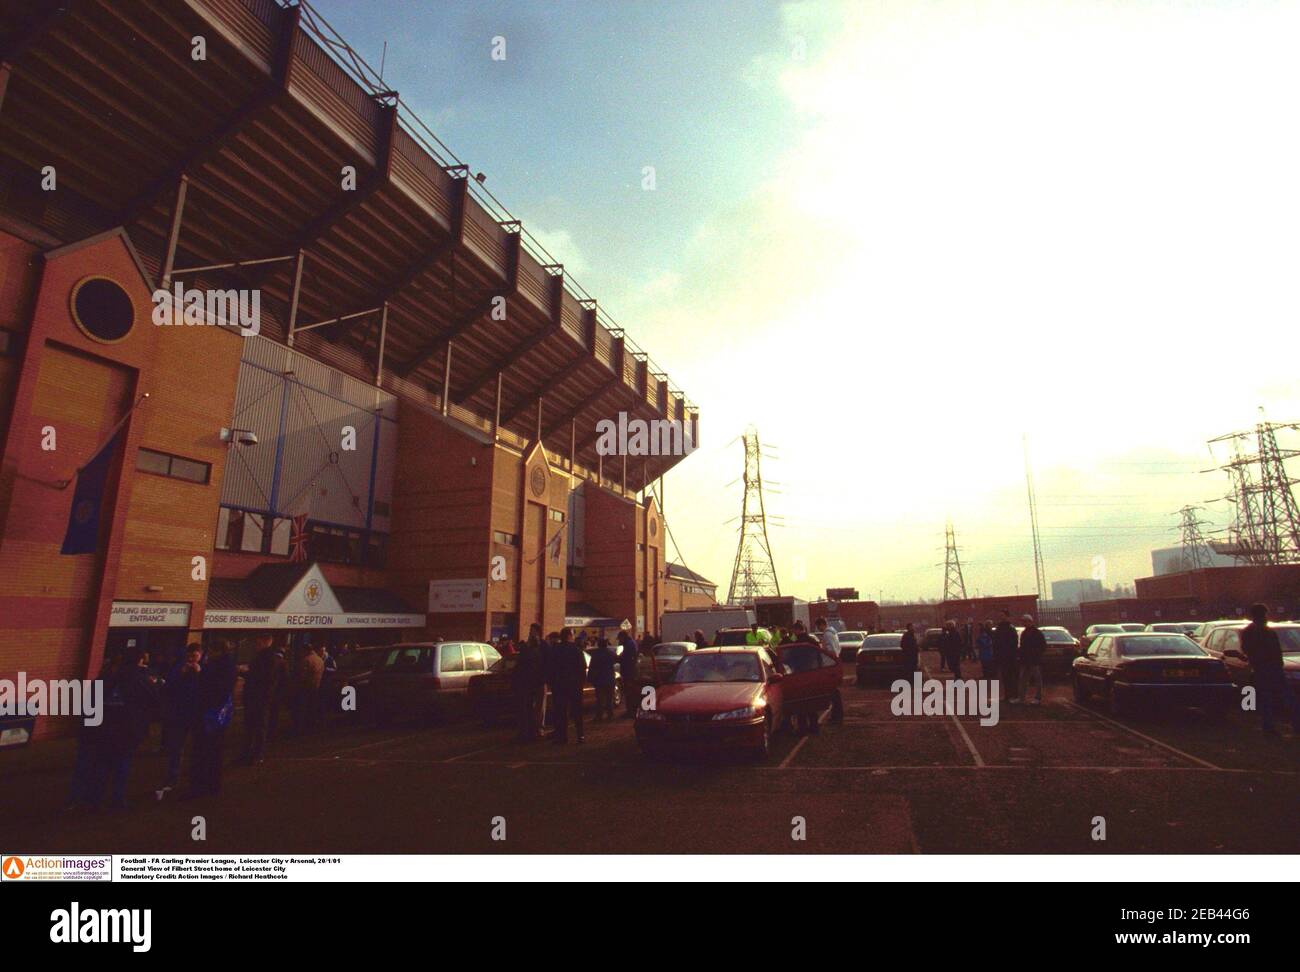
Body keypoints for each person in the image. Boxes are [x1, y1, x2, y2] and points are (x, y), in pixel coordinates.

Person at [89, 647, 157, 810]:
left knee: (102, 765)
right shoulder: (141, 679)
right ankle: (117, 799)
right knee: (121, 765)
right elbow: (154, 701)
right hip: (128, 729)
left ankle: (95, 799)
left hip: (105, 727)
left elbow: (93, 696)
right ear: (139, 660)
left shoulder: (109, 676)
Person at [1241, 602, 1300, 734]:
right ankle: (1293, 725)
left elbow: (1247, 650)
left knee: (1268, 699)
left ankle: (1269, 727)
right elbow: (1274, 651)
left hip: (1263, 669)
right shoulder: (1264, 632)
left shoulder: (1250, 632)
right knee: (1286, 698)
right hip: (1270, 669)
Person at [189, 639, 237, 798]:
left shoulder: (216, 667)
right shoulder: (228, 665)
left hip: (209, 715)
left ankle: (202, 786)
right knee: (214, 753)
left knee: (205, 752)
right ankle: (211, 785)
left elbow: (211, 689)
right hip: (218, 717)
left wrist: (199, 674)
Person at [159, 643, 202, 792]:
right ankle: (173, 776)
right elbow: (169, 687)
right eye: (189, 656)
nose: (191, 659)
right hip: (180, 714)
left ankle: (194, 777)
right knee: (176, 747)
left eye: (194, 656)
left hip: (195, 714)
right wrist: (181, 674)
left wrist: (199, 674)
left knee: (197, 747)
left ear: (200, 656)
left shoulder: (204, 670)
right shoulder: (178, 668)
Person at [240, 634, 286, 764]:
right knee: (254, 727)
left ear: (266, 642)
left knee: (257, 727)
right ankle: (251, 753)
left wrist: (245, 673)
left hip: (260, 698)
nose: (256, 644)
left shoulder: (267, 658)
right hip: (259, 698)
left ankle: (255, 754)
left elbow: (263, 678)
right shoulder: (266, 657)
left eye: (259, 642)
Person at [550, 629, 586, 743]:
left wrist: (553, 683)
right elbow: (582, 668)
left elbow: (551, 667)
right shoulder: (577, 650)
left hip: (559, 685)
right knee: (577, 711)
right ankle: (580, 735)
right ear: (570, 636)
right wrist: (581, 682)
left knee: (560, 711)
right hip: (574, 685)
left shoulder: (555, 650)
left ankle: (562, 736)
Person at [515, 624, 545, 740]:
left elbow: (520, 666)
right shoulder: (535, 652)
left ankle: (528, 732)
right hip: (532, 683)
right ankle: (532, 731)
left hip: (530, 683)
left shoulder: (529, 652)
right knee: (531, 708)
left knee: (529, 708)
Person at [292, 643, 325, 735]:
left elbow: (302, 675)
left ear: (306, 650)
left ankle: (299, 729)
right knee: (312, 708)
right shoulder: (320, 660)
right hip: (316, 686)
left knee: (302, 708)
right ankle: (311, 727)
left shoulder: (306, 660)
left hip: (304, 688)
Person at [587, 636, 617, 721]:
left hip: (599, 678)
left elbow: (592, 667)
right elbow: (616, 660)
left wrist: (590, 678)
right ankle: (610, 715)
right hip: (609, 677)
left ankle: (599, 715)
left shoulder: (596, 654)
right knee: (609, 698)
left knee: (600, 699)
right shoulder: (611, 653)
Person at [1018, 615, 1046, 705]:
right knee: (1023, 679)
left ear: (1030, 621)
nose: (1024, 623)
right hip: (1026, 659)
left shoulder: (1036, 633)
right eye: (1023, 621)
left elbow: (1042, 646)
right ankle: (1022, 697)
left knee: (1036, 679)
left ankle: (1037, 698)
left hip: (1033, 660)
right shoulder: (1025, 633)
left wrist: (1036, 655)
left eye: (1026, 621)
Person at [993, 611, 1020, 703]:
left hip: (1009, 656)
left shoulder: (1010, 628)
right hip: (1002, 656)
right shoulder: (999, 628)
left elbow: (1014, 642)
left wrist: (1011, 653)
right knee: (1005, 676)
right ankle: (1007, 695)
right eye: (1000, 615)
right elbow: (995, 642)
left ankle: (1014, 695)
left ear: (1007, 617)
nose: (1001, 617)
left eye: (1003, 616)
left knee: (1012, 676)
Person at [618, 630, 639, 717]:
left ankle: (630, 711)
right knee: (630, 692)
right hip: (630, 671)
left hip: (629, 672)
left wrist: (619, 657)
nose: (619, 641)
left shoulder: (629, 645)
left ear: (623, 637)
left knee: (629, 693)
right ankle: (630, 711)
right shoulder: (630, 643)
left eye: (620, 638)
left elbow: (626, 658)